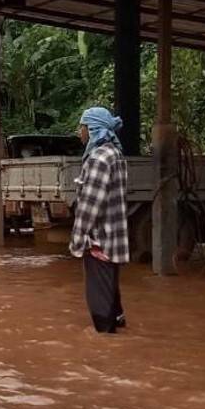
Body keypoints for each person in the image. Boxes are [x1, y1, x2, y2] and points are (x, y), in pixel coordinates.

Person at [71, 107, 130, 333]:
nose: (79, 132)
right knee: (113, 306)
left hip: (98, 243)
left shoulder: (98, 158)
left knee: (101, 320)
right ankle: (117, 322)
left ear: (93, 129)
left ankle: (107, 347)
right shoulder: (116, 155)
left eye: (82, 127)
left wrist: (76, 241)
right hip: (114, 240)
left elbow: (89, 207)